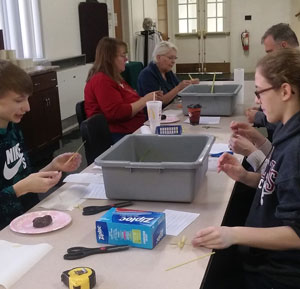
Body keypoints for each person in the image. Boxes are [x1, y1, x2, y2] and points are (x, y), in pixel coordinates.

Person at [192, 48, 300, 289]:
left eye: (259, 92)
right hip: (260, 258)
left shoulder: (296, 148)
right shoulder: (286, 128)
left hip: (276, 274)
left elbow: (297, 233)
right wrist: (245, 176)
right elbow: (276, 183)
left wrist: (233, 234)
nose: (256, 101)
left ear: (285, 91)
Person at [0, 60, 82, 230]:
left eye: (27, 99)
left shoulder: (12, 128)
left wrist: (51, 167)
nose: (27, 107)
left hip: (27, 220)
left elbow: (21, 178)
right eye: (18, 100)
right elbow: (19, 187)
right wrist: (19, 189)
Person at [84, 37, 162, 143]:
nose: (126, 59)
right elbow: (117, 113)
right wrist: (144, 100)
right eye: (123, 55)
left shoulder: (116, 78)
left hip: (130, 130)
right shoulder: (101, 80)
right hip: (117, 135)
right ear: (110, 58)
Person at [245, 23, 299, 131]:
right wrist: (264, 109)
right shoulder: (286, 68)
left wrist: (259, 117)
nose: (269, 58)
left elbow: (291, 120)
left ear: (284, 45)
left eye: (270, 52)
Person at [137, 41, 199, 107]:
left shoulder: (167, 71)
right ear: (158, 57)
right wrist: (178, 88)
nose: (173, 61)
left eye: (175, 58)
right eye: (170, 58)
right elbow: (158, 102)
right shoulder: (147, 75)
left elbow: (178, 88)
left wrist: (189, 84)